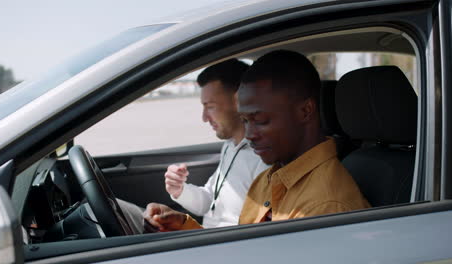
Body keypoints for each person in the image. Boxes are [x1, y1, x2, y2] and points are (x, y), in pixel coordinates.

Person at [144, 50, 370, 232]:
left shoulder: (326, 206)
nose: (249, 134)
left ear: (305, 111)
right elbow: (247, 246)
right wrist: (184, 226)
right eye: (244, 120)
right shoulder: (269, 178)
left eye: (259, 119)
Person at [163, 59, 268, 228]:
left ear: (239, 100)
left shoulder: (263, 158)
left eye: (210, 107)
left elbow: (254, 231)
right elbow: (209, 202)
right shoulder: (231, 146)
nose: (204, 118)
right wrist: (180, 190)